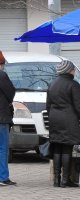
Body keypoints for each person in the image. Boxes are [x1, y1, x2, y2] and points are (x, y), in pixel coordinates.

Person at [46, 60, 80, 188]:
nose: (74, 71)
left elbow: (48, 105)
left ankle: (56, 180)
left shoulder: (52, 84)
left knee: (57, 147)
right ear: (69, 70)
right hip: (68, 118)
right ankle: (66, 180)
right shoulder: (73, 84)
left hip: (54, 118)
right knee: (67, 148)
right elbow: (79, 106)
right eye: (73, 69)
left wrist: (52, 116)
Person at [0, 51, 16, 186]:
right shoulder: (2, 75)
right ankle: (3, 177)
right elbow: (11, 92)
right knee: (2, 148)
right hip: (1, 118)